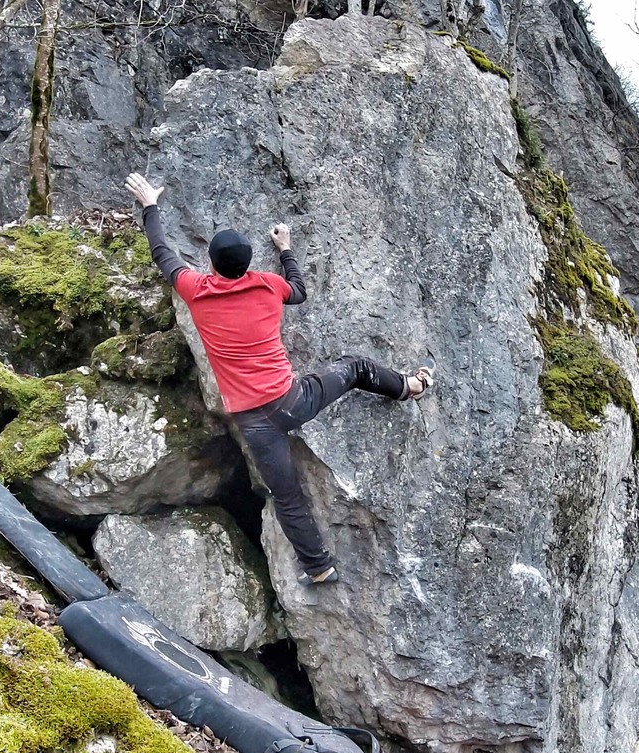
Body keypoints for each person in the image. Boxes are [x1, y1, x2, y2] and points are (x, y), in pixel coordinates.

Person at [125, 172, 432, 584]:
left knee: (287, 496)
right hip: (293, 400)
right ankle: (409, 386)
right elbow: (299, 291)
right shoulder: (269, 286)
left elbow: (162, 253)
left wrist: (150, 205)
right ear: (248, 264)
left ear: (211, 264)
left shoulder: (196, 290)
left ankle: (319, 567)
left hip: (254, 423)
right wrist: (286, 250)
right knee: (356, 368)